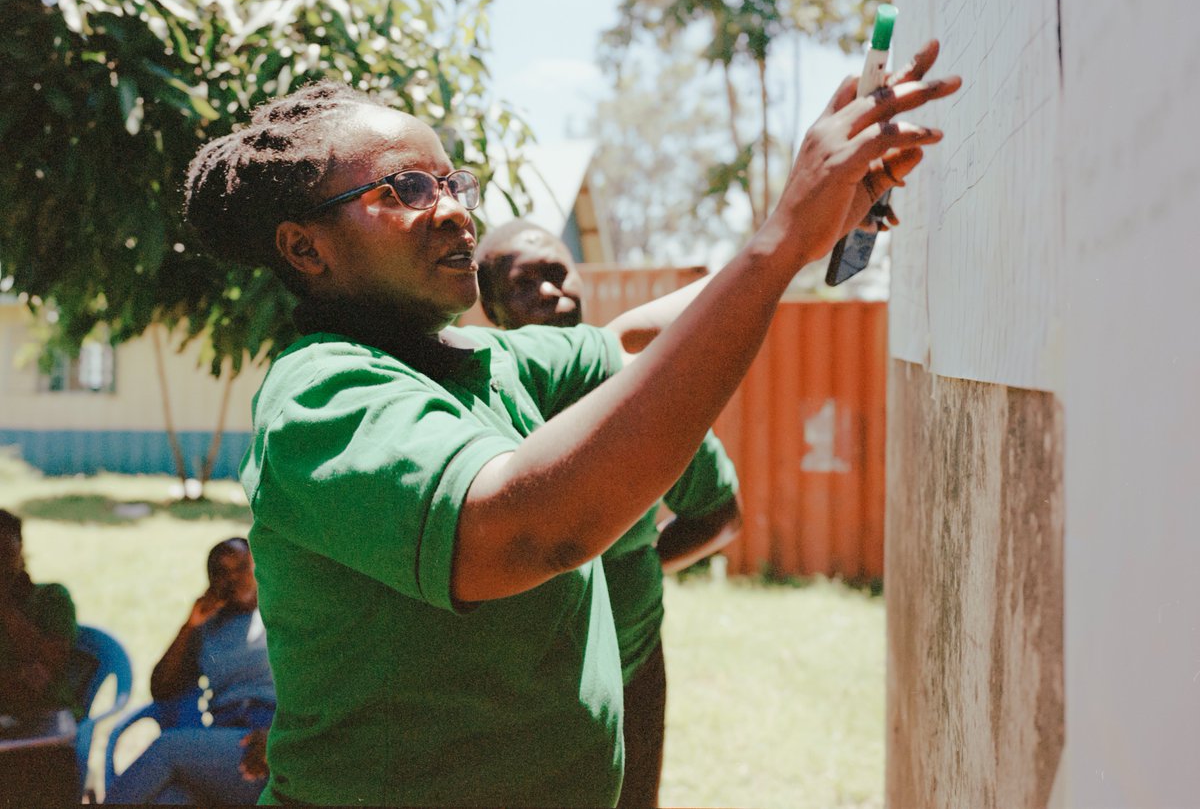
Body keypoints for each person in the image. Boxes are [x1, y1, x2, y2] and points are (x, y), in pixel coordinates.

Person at [181, 41, 957, 806]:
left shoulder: (484, 361)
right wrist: (779, 237)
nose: (452, 208)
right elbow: (526, 529)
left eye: (454, 182)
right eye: (405, 188)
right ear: (305, 247)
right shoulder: (324, 394)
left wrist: (809, 234)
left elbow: (633, 343)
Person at [476, 220, 742, 808]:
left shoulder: (638, 386)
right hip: (518, 687)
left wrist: (632, 560)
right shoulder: (477, 397)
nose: (551, 292)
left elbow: (719, 514)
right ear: (492, 310)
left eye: (558, 274)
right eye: (526, 283)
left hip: (631, 663)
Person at [104, 537, 274, 804]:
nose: (233, 579)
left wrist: (277, 735)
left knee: (167, 748)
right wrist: (190, 625)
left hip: (268, 738)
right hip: (223, 742)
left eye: (241, 567)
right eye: (221, 572)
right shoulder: (209, 626)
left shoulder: (279, 613)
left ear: (258, 566)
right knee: (171, 800)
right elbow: (161, 688)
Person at [0, 509, 79, 807]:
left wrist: (6, 607)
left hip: (44, 724)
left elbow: (49, 668)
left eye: (5, 556)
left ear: (20, 552)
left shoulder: (51, 598)